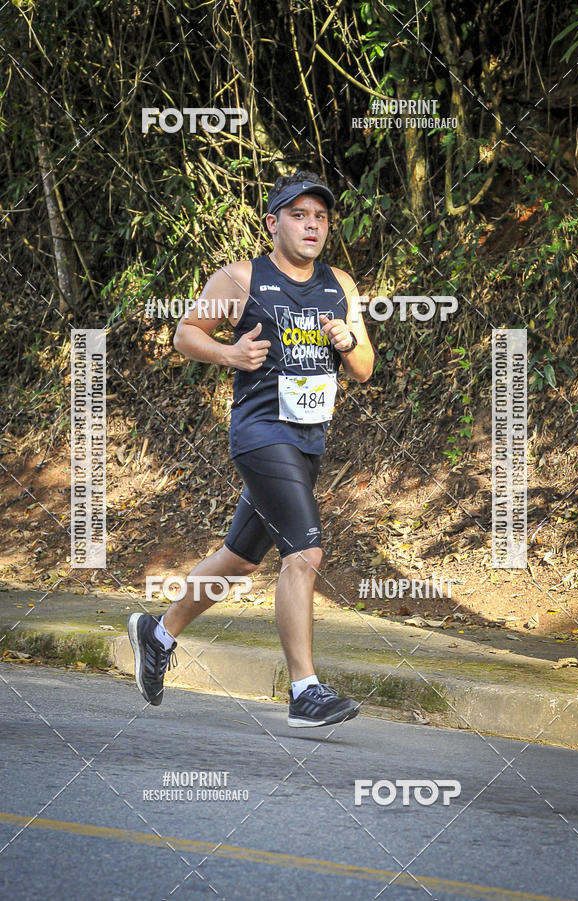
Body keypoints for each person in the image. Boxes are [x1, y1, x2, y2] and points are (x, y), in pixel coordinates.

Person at [128, 170, 374, 726]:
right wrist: (229, 355)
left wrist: (349, 340)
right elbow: (186, 333)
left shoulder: (340, 284)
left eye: (321, 218)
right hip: (261, 434)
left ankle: (158, 633)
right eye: (299, 215)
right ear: (273, 223)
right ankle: (304, 692)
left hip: (309, 441)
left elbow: (364, 369)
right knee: (305, 552)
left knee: (238, 558)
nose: (312, 226)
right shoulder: (240, 278)